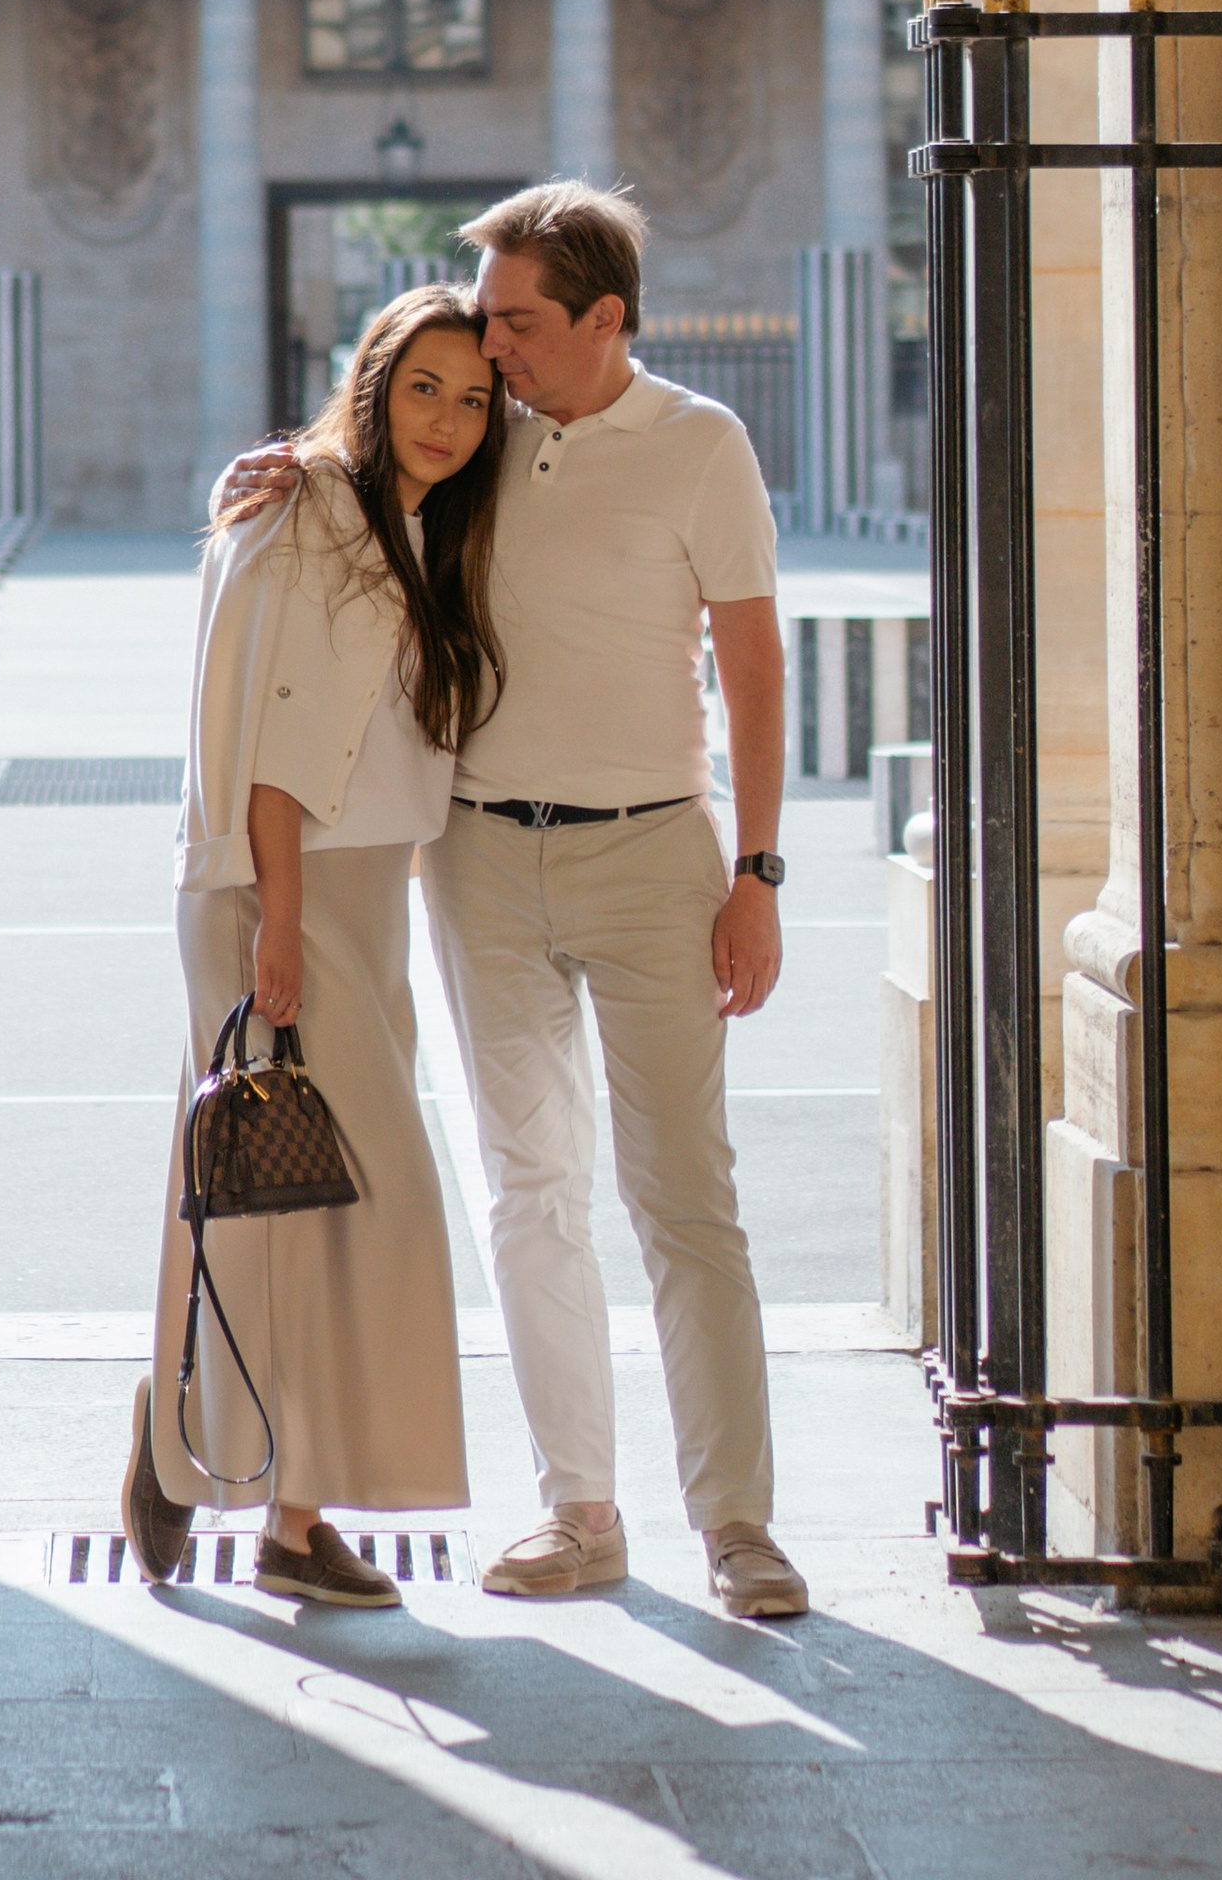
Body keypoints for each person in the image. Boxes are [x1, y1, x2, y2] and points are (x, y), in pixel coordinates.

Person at [222, 178, 809, 1625]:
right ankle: (579, 1514)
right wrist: (282, 471)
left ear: (607, 319)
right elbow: (369, 473)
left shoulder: (703, 445)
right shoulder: (483, 445)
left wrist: (758, 873)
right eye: (485, 322)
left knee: (686, 1201)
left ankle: (738, 1524)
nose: (491, 350)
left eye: (520, 324)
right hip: (480, 859)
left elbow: (754, 667)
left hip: (655, 856)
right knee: (529, 1194)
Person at [121, 285, 507, 1607]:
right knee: (338, 1204)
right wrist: (280, 925)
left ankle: (194, 1452)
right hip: (277, 887)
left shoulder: (402, 521)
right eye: (424, 388)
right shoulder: (318, 509)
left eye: (474, 399)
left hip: (351, 891)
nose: (448, 420)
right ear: (374, 383)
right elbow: (280, 739)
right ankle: (276, 1514)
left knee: (279, 1199)